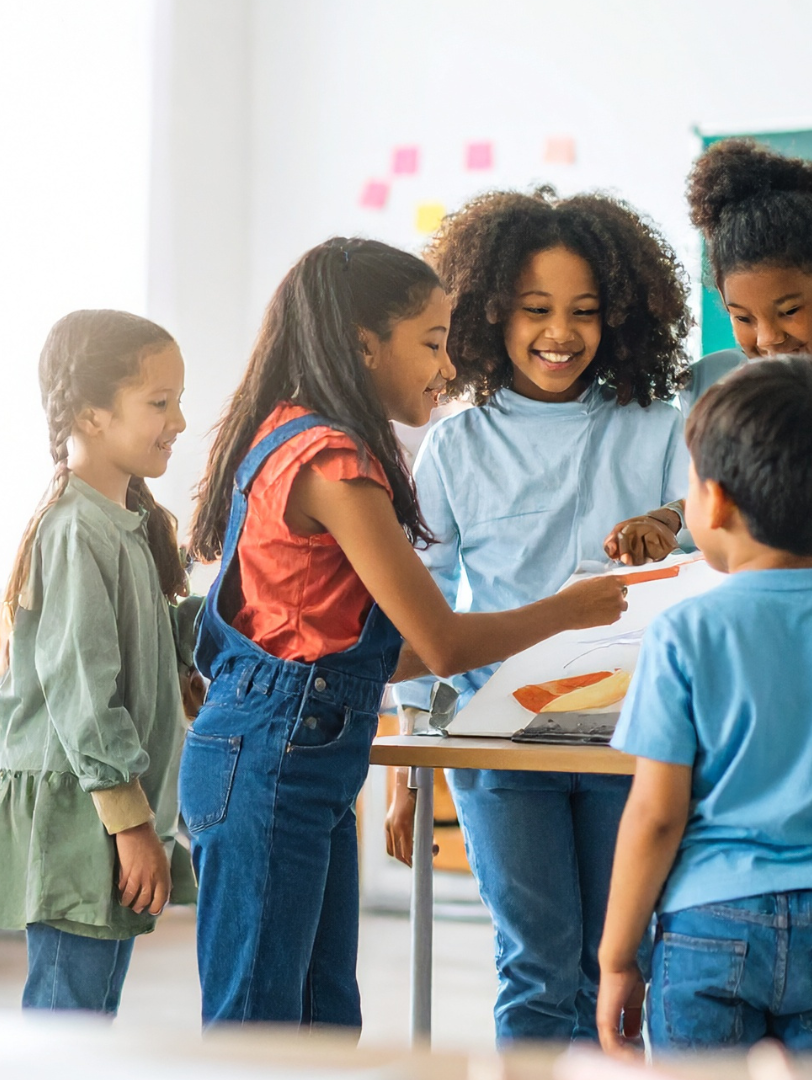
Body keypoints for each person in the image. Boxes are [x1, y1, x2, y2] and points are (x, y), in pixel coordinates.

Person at [179, 237, 628, 1029]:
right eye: (430, 343)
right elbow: (445, 644)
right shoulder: (332, 461)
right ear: (364, 345)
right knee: (258, 1027)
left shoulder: (299, 435)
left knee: (319, 1020)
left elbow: (382, 652)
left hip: (290, 751)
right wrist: (571, 609)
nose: (447, 367)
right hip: (272, 753)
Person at [386, 188, 692, 1043]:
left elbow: (710, 548)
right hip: (499, 736)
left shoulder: (659, 428)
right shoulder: (459, 440)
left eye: (585, 312)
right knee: (537, 963)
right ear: (490, 314)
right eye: (536, 310)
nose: (561, 333)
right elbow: (426, 594)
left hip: (630, 731)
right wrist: (413, 757)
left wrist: (669, 523)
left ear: (621, 318)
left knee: (617, 958)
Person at [595, 358, 812, 1064]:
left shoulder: (684, 634)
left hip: (706, 927)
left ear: (712, 503)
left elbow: (657, 816)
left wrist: (616, 956)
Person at [0, 309, 196, 1015]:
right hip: (83, 814)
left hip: (108, 807)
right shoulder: (73, 529)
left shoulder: (125, 524)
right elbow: (82, 691)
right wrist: (131, 827)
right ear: (92, 414)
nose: (178, 422)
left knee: (88, 1014)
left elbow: (142, 642)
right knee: (69, 1022)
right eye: (160, 403)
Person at [606, 139, 812, 562]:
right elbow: (718, 506)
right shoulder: (710, 387)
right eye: (742, 318)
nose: (766, 340)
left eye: (789, 311)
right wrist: (669, 519)